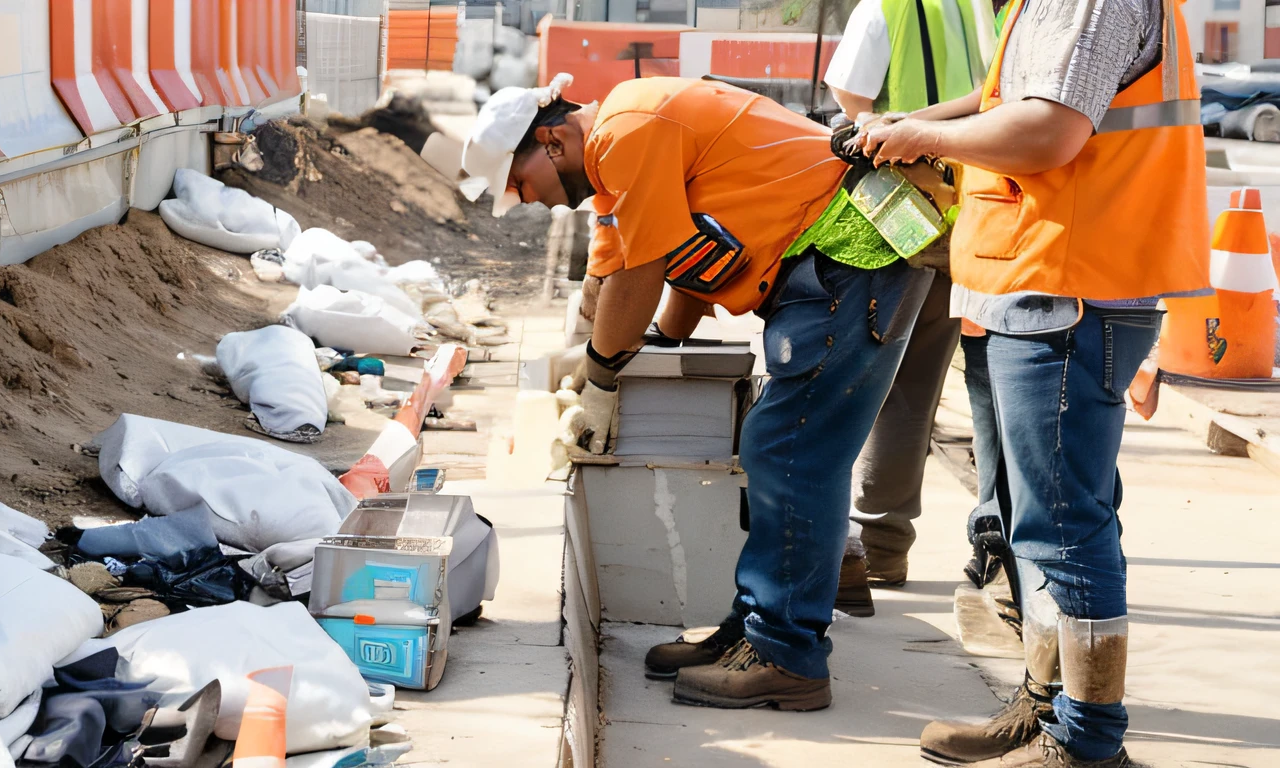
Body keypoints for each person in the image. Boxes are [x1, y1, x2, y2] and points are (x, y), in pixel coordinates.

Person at [459, 73, 942, 709]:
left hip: (851, 255)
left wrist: (602, 380)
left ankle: (787, 657)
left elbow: (641, 271)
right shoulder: (616, 156)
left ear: (551, 142)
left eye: (520, 184)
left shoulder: (628, 130)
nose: (529, 200)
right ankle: (754, 632)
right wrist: (640, 349)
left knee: (792, 453)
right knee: (779, 449)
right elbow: (626, 276)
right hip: (836, 264)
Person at [856, 0, 1208, 763]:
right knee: (1038, 524)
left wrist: (920, 135)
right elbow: (1008, 104)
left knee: (1062, 528)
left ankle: (1084, 742)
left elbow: (1048, 130)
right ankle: (1048, 706)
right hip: (1039, 284)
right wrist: (912, 120)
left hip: (1068, 287)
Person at [819, 0, 995, 615]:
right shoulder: (993, 9)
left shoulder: (888, 7)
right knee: (923, 386)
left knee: (876, 380)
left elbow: (851, 97)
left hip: (897, 214)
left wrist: (907, 127)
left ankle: (870, 549)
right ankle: (889, 545)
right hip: (974, 208)